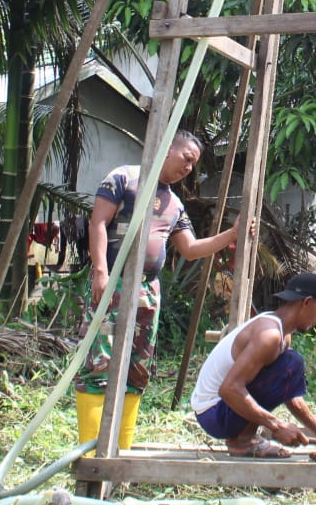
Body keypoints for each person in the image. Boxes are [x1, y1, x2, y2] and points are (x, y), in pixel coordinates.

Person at [73, 129, 244, 450]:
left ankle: (120, 451)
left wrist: (231, 234)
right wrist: (100, 272)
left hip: (147, 294)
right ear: (166, 149)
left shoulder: (174, 204)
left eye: (194, 164)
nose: (189, 168)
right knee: (99, 365)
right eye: (186, 159)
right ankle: (91, 452)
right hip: (113, 285)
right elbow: (98, 222)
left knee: (137, 371)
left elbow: (191, 248)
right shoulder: (123, 179)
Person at [191, 272, 316, 457]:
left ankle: (244, 436)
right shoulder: (269, 335)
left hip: (221, 410)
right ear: (307, 302)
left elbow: (289, 395)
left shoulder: (282, 334)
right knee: (292, 363)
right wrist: (276, 425)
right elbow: (229, 389)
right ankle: (243, 441)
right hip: (213, 413)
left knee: (291, 363)